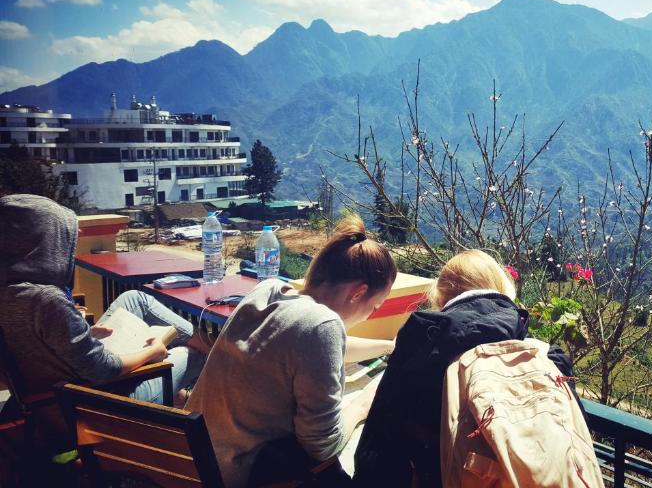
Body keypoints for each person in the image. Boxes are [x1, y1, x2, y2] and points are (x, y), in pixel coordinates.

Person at [185, 215, 397, 488]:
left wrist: (389, 346)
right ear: (358, 293)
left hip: (189, 459)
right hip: (232, 476)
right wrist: (364, 404)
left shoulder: (269, 292)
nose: (370, 316)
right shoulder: (322, 325)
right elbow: (323, 445)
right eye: (375, 307)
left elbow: (318, 348)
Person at [352, 249, 574, 488]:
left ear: (440, 298)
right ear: (502, 288)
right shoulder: (546, 357)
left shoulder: (421, 345)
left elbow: (378, 450)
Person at [0, 194, 205, 439]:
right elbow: (103, 370)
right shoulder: (46, 301)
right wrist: (155, 352)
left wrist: (85, 333)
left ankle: (195, 369)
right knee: (193, 355)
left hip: (53, 398)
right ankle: (213, 357)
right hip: (91, 410)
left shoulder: (14, 292)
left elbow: (38, 347)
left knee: (134, 299)